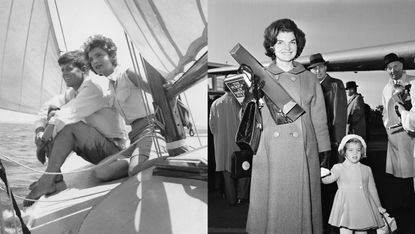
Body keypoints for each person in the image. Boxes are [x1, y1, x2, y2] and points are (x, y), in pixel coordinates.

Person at [246, 18, 331, 234]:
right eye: (280, 43)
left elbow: (319, 118)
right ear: (271, 47)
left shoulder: (310, 78)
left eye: (291, 42)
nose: (287, 48)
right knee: (274, 211)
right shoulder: (259, 77)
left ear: (298, 44)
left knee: (302, 211)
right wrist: (253, 100)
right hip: (270, 151)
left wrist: (324, 154)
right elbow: (246, 117)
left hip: (304, 149)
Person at [25, 50, 127, 206]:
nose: (64, 73)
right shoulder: (72, 92)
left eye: (69, 69)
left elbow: (67, 115)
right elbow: (45, 108)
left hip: (114, 149)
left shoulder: (93, 89)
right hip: (96, 149)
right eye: (63, 70)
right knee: (52, 113)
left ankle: (47, 180)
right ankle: (55, 180)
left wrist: (43, 142)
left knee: (65, 125)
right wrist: (39, 131)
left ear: (84, 69)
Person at [83, 35, 155, 178]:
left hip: (151, 129)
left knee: (135, 169)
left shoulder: (129, 74)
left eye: (99, 55)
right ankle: (137, 158)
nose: (95, 61)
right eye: (91, 59)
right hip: (134, 136)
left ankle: (162, 158)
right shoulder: (110, 87)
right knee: (100, 172)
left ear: (111, 55)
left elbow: (158, 91)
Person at [309, 53, 347, 233]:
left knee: (330, 182)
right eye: (314, 68)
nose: (317, 70)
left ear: (326, 68)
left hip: (330, 142)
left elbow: (339, 117)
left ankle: (333, 223)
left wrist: (336, 143)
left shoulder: (335, 85)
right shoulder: (310, 86)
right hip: (314, 142)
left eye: (320, 67)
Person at [322, 134, 385, 234]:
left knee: (362, 230)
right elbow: (328, 180)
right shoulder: (339, 167)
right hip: (346, 207)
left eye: (358, 150)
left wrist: (378, 206)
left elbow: (372, 189)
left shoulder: (366, 169)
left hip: (363, 206)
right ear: (344, 152)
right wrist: (323, 174)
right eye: (350, 150)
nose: (355, 153)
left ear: (362, 152)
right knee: (346, 230)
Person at [209, 85, 250, 206]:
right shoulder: (241, 102)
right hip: (239, 143)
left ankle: (231, 199)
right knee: (243, 168)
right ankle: (241, 197)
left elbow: (212, 127)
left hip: (221, 144)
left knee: (227, 172)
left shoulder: (215, 103)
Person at [381, 52, 415, 179]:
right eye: (389, 68)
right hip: (394, 136)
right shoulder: (386, 88)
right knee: (399, 176)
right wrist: (387, 124)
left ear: (401, 65)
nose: (393, 70)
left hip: (411, 135)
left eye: (396, 66)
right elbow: (384, 110)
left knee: (412, 172)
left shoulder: (413, 82)